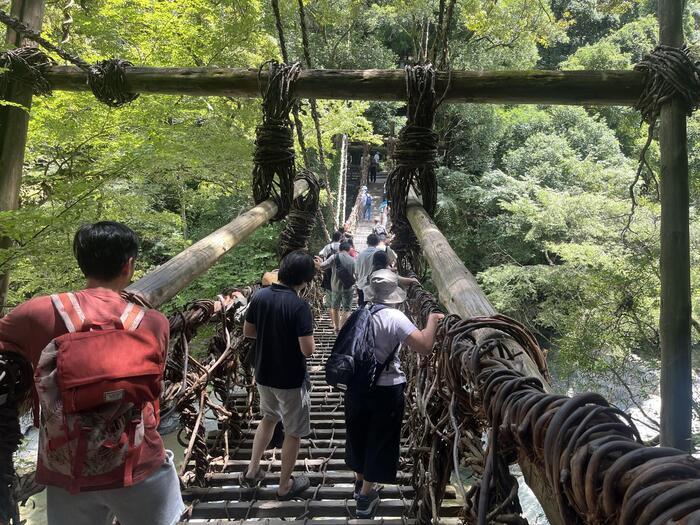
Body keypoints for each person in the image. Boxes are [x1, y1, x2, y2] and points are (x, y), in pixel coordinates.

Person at [0, 222, 185, 525]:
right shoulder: (153, 322)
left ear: (81, 263)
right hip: (138, 465)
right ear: (130, 265)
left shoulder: (36, 314)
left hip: (68, 470)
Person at [347, 270, 443, 518]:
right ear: (394, 295)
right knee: (380, 438)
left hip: (356, 386)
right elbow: (423, 346)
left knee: (358, 433)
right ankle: (366, 497)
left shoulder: (358, 313)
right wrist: (432, 321)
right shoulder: (395, 316)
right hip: (387, 388)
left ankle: (360, 483)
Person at [240, 250, 316, 499]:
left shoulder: (260, 296)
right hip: (290, 379)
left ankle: (252, 471)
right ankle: (284, 486)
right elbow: (308, 350)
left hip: (263, 374)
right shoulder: (300, 306)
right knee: (293, 431)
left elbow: (248, 332)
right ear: (304, 281)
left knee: (269, 418)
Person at [316, 241, 355, 333]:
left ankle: (337, 328)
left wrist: (316, 263)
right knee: (347, 309)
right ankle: (341, 326)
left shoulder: (334, 257)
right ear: (349, 250)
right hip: (348, 287)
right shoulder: (352, 259)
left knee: (335, 307)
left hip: (335, 287)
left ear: (339, 249)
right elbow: (356, 274)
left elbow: (322, 267)